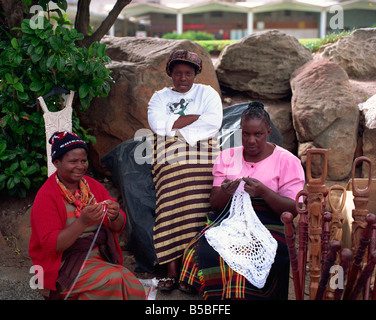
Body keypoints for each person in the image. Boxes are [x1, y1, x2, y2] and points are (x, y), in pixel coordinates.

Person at [179, 101, 305, 299]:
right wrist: (226, 192)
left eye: (258, 134)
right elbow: (216, 204)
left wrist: (264, 192)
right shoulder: (227, 156)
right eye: (246, 134)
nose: (251, 140)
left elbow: (293, 208)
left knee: (247, 261)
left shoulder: (287, 161)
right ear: (240, 132)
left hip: (270, 223)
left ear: (269, 132)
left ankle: (236, 292)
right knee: (204, 250)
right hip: (231, 219)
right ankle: (221, 292)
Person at [29, 131, 145, 300]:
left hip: (98, 260)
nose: (80, 166)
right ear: (57, 162)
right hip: (63, 267)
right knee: (114, 281)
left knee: (134, 286)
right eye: (73, 161)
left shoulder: (93, 187)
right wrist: (82, 222)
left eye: (83, 161)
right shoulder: (46, 196)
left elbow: (119, 225)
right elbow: (51, 246)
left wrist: (114, 215)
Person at [148, 49, 223, 290]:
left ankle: (193, 271)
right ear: (170, 74)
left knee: (203, 197)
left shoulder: (207, 93)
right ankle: (171, 269)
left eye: (188, 73)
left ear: (195, 74)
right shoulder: (159, 98)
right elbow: (158, 125)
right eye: (178, 73)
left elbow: (213, 122)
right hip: (167, 150)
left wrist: (176, 128)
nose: (183, 78)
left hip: (205, 147)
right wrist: (193, 117)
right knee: (172, 194)